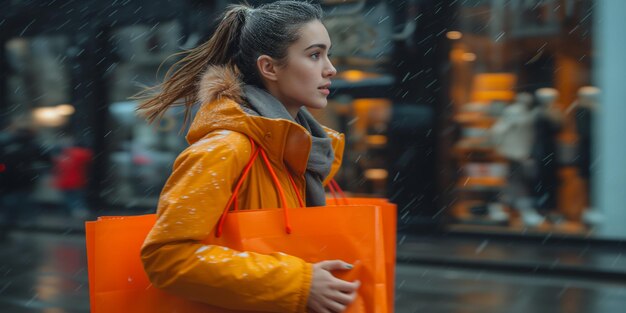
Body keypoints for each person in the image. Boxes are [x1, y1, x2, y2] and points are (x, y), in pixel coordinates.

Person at [135, 2, 359, 312]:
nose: (330, 68)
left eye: (327, 54)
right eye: (314, 55)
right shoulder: (225, 148)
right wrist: (297, 283)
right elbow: (167, 257)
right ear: (269, 67)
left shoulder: (297, 154)